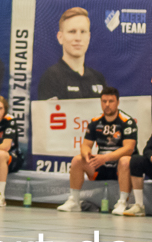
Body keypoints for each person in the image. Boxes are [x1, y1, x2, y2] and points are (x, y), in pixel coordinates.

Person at [57, 87, 136, 215]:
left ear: (118, 102)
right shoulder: (95, 122)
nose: (107, 104)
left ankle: (122, 202)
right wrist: (86, 153)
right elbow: (85, 145)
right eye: (104, 101)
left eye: (111, 101)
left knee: (125, 161)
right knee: (77, 160)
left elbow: (129, 148)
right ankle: (74, 201)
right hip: (101, 164)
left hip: (119, 166)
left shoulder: (127, 121)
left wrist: (105, 158)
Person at [38, 7, 106, 100]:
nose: (78, 38)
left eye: (83, 32)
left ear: (89, 37)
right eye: (72, 32)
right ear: (60, 37)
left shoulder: (98, 78)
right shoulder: (51, 78)